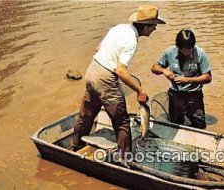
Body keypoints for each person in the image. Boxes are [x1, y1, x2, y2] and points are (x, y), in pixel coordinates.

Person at [71, 5, 166, 154]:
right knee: (122, 122)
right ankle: (125, 159)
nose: (155, 29)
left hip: (92, 71)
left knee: (86, 115)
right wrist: (139, 91)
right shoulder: (132, 42)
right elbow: (121, 70)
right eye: (154, 26)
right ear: (146, 27)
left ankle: (75, 147)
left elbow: (98, 49)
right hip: (105, 78)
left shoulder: (119, 28)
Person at [151, 29, 212, 129]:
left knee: (199, 124)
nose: (186, 52)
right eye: (183, 50)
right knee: (175, 124)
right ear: (178, 47)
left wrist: (187, 80)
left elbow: (208, 77)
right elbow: (154, 68)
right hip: (175, 94)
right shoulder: (169, 52)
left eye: (189, 49)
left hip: (194, 94)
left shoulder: (200, 53)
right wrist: (164, 71)